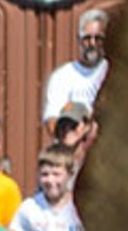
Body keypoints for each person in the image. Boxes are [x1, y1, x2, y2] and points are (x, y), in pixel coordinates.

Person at [43, 9, 109, 141]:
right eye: (87, 38)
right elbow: (52, 120)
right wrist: (72, 141)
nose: (92, 43)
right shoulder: (62, 76)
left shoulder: (113, 71)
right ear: (78, 40)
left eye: (98, 38)